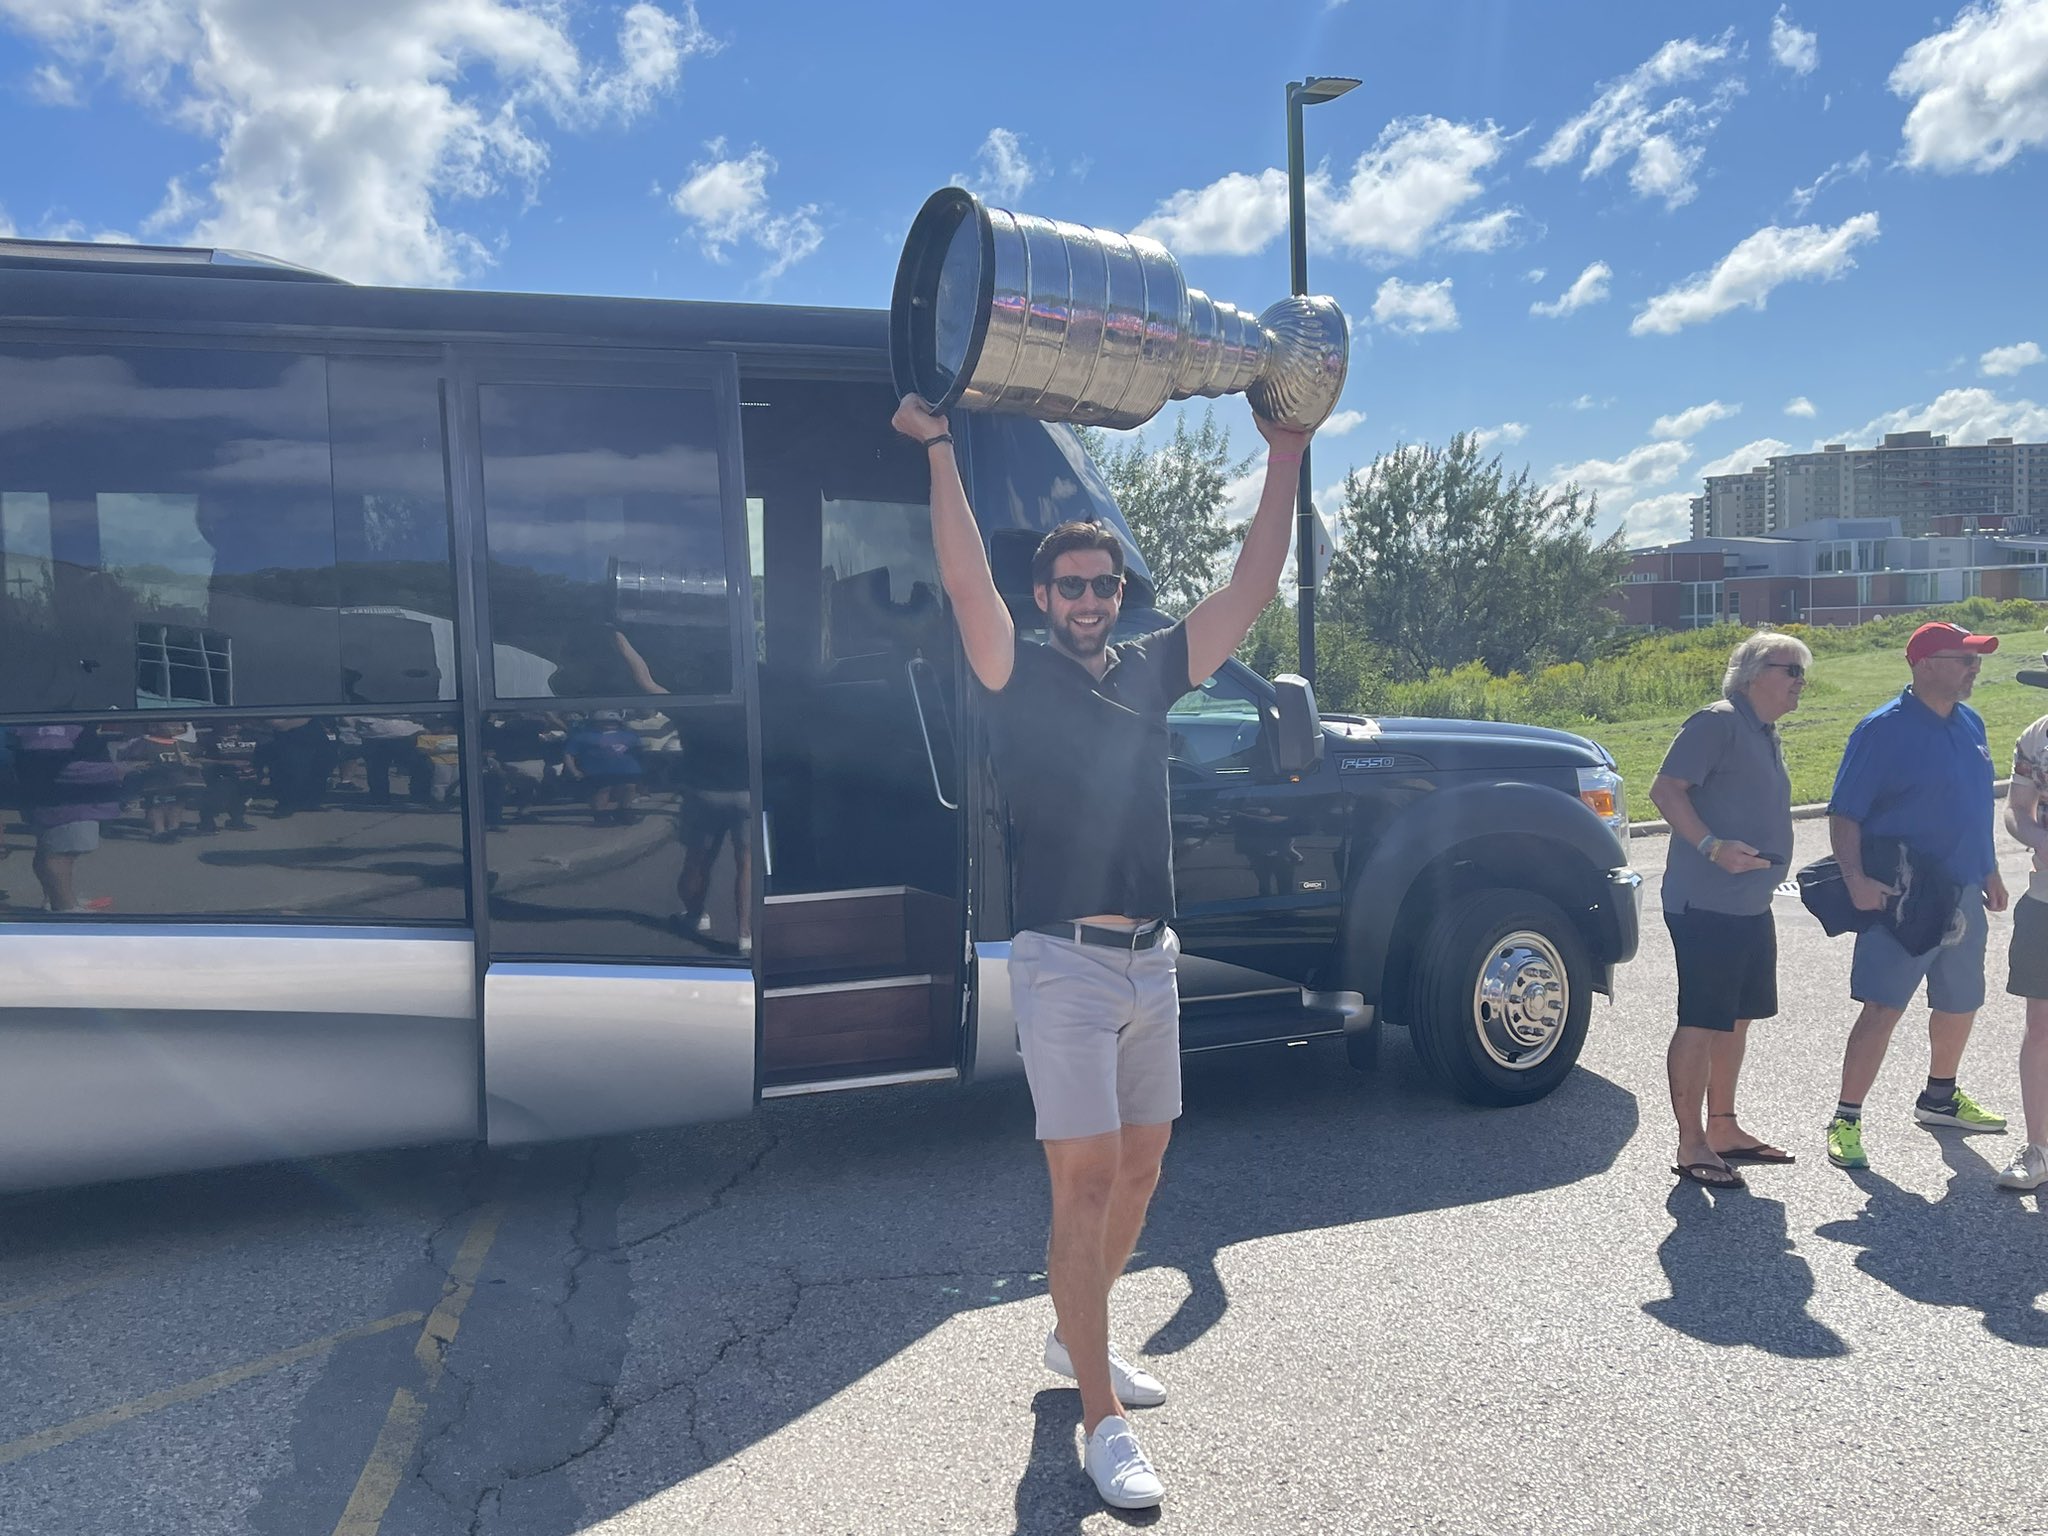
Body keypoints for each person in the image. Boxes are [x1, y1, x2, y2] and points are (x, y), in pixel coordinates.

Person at [893, 391, 1310, 1511]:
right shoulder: (1009, 673)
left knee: (1143, 1164)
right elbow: (966, 577)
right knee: (1078, 1183)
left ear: (1120, 595)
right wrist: (939, 450)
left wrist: (1286, 453)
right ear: (1045, 598)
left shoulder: (1152, 667)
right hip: (1061, 962)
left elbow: (1250, 590)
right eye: (1069, 585)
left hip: (1150, 962)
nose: (1087, 600)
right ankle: (1098, 1417)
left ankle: (1079, 1337)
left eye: (1103, 585)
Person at [1823, 621, 2010, 1170]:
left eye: (1977, 660)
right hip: (1903, 894)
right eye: (1964, 659)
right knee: (1884, 1006)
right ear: (1925, 663)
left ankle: (1939, 1098)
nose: (1975, 668)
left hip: (1964, 890)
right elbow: (1844, 813)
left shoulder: (1970, 722)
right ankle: (1846, 1117)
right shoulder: (1882, 730)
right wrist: (1856, 880)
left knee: (1960, 1001)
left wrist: (1991, 869)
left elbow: (1974, 808)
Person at [1649, 632, 1811, 1190]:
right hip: (1706, 903)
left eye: (1802, 673)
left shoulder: (1763, 732)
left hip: (1750, 904)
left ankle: (1722, 1128)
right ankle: (1690, 1142)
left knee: (1737, 1018)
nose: (1799, 682)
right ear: (1753, 673)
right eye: (1791, 670)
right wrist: (1713, 847)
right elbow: (1666, 791)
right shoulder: (1716, 721)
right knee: (1701, 1020)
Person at [1994, 693, 2048, 1190]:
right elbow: (2016, 808)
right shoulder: (2037, 734)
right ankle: (2039, 1151)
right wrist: (2037, 837)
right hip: (2044, 901)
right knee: (2040, 1030)